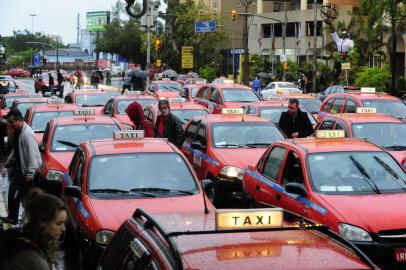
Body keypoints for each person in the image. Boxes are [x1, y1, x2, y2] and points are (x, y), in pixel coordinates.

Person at [0, 188, 67, 270]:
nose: (64, 229)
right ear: (42, 221)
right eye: (58, 223)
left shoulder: (19, 239)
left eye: (64, 223)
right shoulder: (35, 262)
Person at [0, 109, 42, 225]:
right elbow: (16, 149)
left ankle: (34, 221)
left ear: (19, 120)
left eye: (11, 122)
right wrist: (9, 161)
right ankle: (14, 217)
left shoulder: (27, 134)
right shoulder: (18, 131)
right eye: (8, 122)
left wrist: (30, 174)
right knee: (15, 191)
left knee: (27, 197)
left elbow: (32, 155)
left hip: (29, 173)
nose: (9, 124)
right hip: (22, 170)